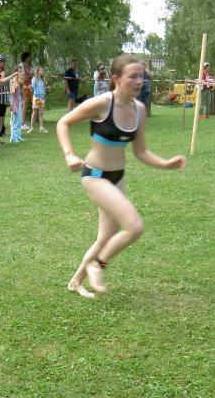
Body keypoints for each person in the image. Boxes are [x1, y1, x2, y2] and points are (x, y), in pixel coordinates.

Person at [56, 54, 187, 298]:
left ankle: (75, 281)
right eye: (133, 77)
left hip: (118, 177)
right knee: (134, 226)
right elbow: (63, 123)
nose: (139, 82)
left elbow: (140, 151)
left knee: (106, 236)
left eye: (141, 77)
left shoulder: (139, 110)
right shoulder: (102, 103)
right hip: (95, 176)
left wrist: (166, 164)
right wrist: (69, 154)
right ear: (116, 79)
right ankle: (98, 265)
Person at [29, 66, 47, 134]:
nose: (42, 71)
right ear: (37, 71)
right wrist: (31, 87)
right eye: (41, 70)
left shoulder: (42, 79)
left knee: (41, 113)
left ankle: (41, 128)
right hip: (37, 98)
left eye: (42, 70)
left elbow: (43, 88)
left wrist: (46, 88)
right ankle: (31, 128)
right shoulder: (34, 79)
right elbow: (32, 87)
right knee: (34, 113)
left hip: (42, 98)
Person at [9, 66, 24, 143]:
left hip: (18, 103)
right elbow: (12, 92)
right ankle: (13, 138)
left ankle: (18, 136)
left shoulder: (18, 82)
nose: (20, 73)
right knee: (15, 121)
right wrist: (13, 89)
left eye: (21, 71)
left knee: (19, 121)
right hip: (15, 104)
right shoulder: (13, 82)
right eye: (19, 71)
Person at [19, 51, 32, 129]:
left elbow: (29, 76)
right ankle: (22, 123)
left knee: (25, 104)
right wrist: (30, 75)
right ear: (25, 57)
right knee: (23, 104)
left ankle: (22, 121)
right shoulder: (21, 66)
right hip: (24, 87)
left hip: (29, 86)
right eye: (29, 57)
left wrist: (30, 76)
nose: (30, 58)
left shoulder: (28, 66)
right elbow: (23, 78)